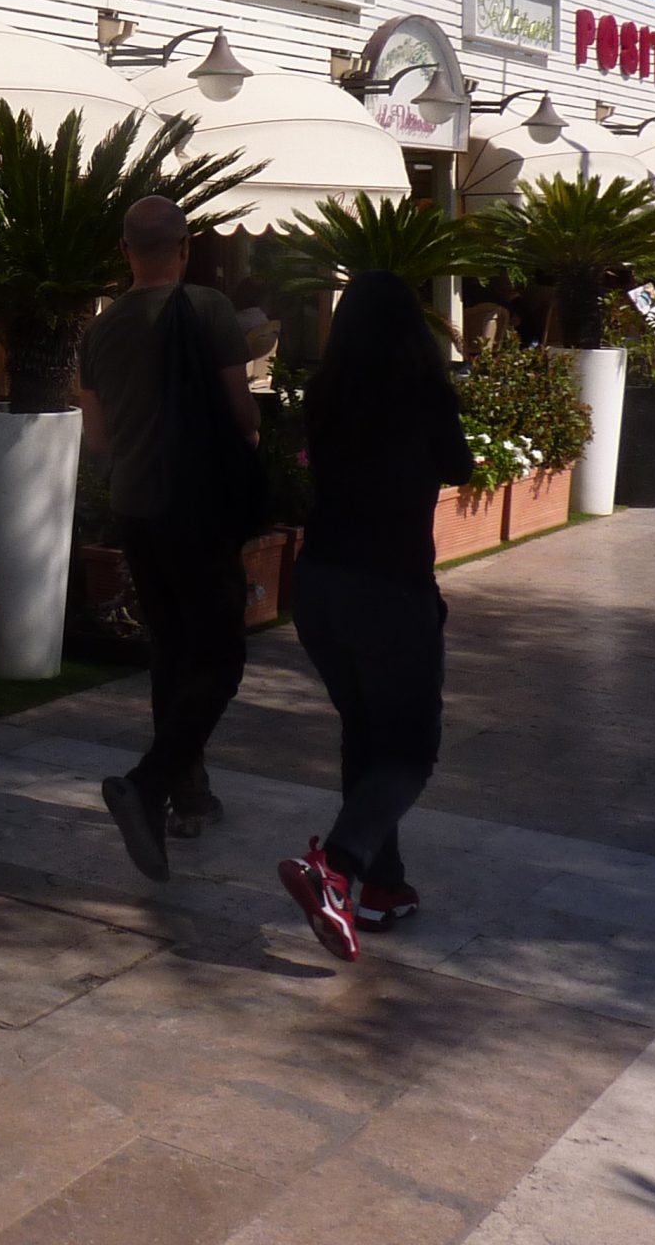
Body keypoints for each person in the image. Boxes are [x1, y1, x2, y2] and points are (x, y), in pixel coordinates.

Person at [276, 271, 474, 962]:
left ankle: (382, 887)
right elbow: (461, 467)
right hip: (390, 590)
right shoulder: (423, 394)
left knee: (365, 734)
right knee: (411, 750)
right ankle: (335, 868)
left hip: (319, 586)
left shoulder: (325, 394)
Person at [84, 195, 261, 882]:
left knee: (170, 650)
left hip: (136, 508)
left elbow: (98, 438)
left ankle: (187, 797)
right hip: (200, 506)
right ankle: (152, 784)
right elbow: (242, 413)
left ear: (124, 251)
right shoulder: (210, 309)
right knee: (220, 656)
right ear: (185, 247)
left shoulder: (99, 331)